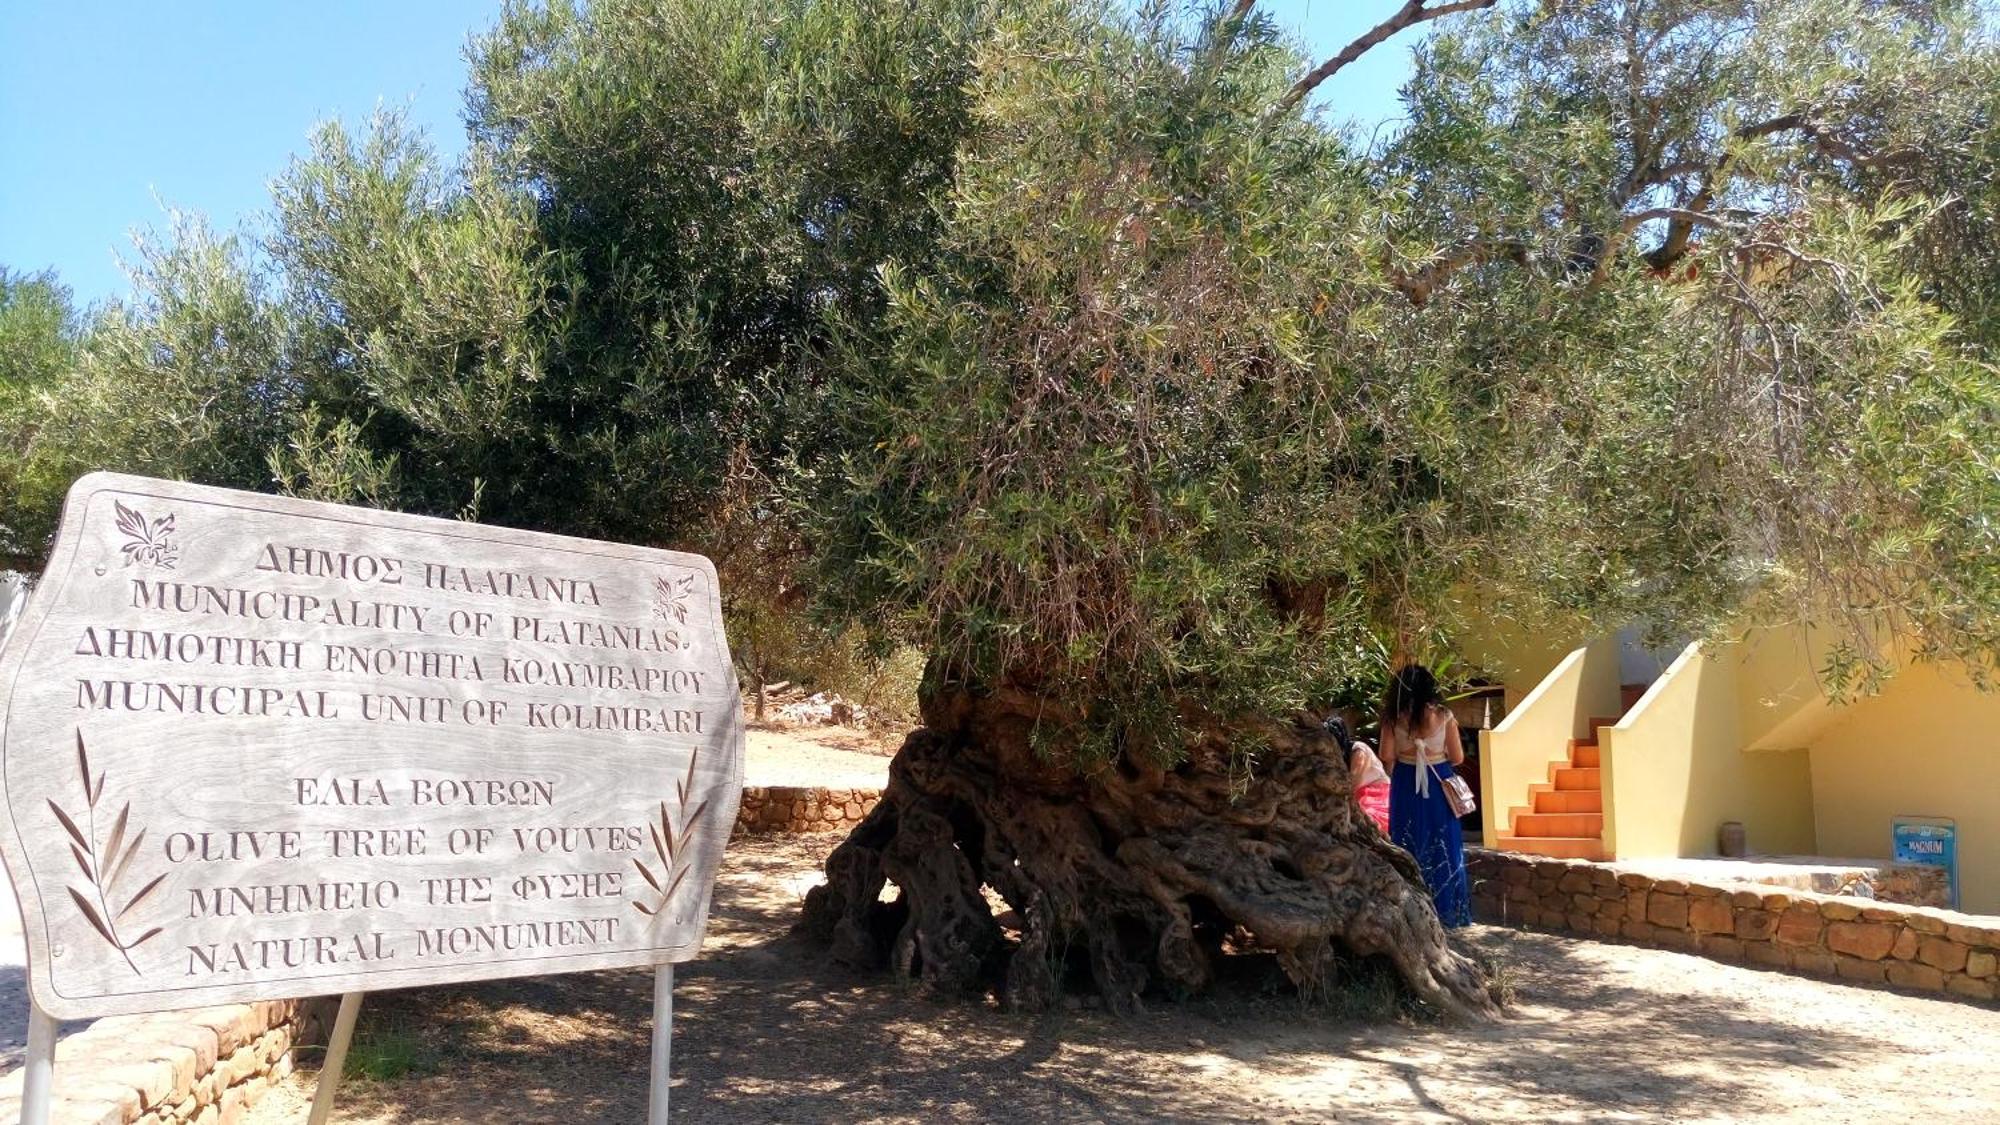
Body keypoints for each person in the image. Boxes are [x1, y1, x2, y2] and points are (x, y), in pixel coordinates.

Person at [1380, 663, 1471, 927]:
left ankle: (1412, 907)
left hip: (1407, 781)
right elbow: (1457, 757)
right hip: (1439, 779)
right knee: (1443, 842)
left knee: (1407, 838)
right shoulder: (1444, 715)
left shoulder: (1393, 718)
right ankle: (1448, 911)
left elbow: (1386, 755)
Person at [1324, 714, 1391, 833]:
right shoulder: (1335, 755)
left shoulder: (1359, 750)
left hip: (1375, 792)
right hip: (1358, 794)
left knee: (1368, 818)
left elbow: (1354, 782)